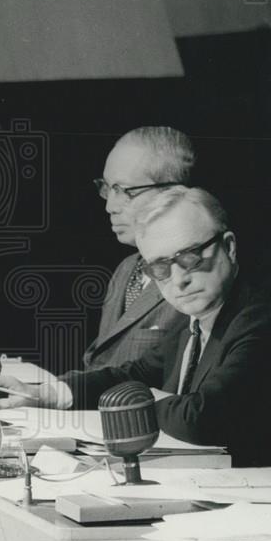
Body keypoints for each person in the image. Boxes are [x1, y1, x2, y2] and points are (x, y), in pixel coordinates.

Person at [0, 186, 271, 494]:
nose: (178, 280)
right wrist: (56, 393)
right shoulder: (201, 317)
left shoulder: (265, 316)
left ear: (229, 247)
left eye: (190, 258)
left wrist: (135, 399)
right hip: (227, 489)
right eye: (160, 268)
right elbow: (136, 371)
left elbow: (202, 417)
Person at [84, 127, 195, 370]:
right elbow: (99, 362)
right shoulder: (126, 269)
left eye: (125, 191)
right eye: (107, 188)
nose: (110, 207)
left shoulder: (193, 278)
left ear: (172, 193)